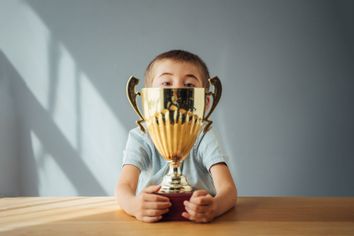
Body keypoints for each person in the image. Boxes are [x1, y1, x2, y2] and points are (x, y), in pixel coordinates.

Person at [116, 50, 237, 223]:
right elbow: (124, 187)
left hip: (199, 224)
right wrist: (133, 206)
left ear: (204, 102)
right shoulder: (140, 136)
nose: (177, 92)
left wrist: (215, 207)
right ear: (148, 99)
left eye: (189, 86)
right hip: (152, 223)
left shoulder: (203, 135)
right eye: (166, 83)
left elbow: (228, 190)